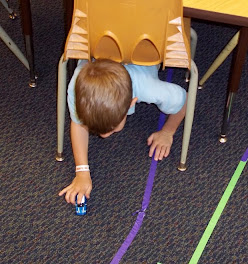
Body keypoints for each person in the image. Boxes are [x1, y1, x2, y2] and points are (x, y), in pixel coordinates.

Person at [59, 59, 187, 205]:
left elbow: (184, 100)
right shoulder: (78, 89)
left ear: (132, 103)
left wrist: (167, 132)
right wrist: (82, 171)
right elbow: (78, 123)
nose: (104, 135)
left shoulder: (149, 88)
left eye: (111, 128)